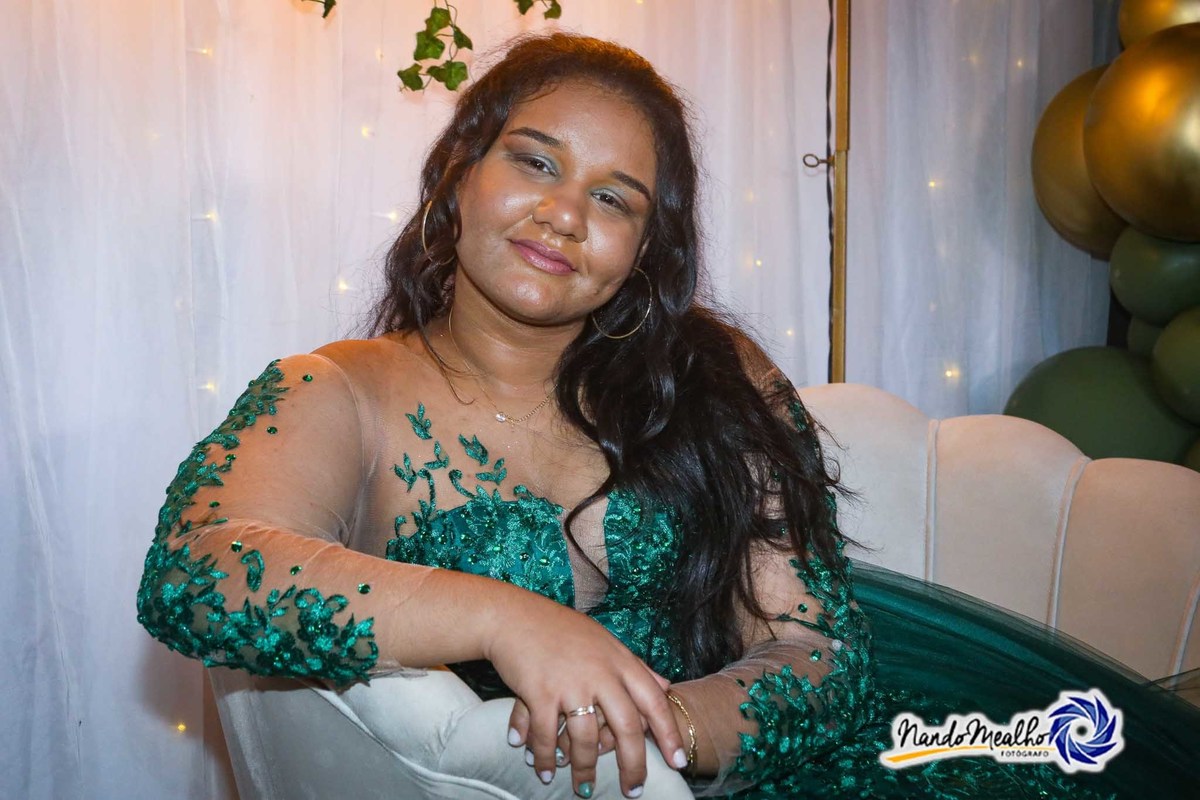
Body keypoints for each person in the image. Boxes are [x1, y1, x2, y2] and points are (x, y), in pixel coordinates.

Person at [137, 32, 1200, 800]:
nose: (564, 213)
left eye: (614, 198)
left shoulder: (714, 374)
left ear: (646, 248)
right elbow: (197, 569)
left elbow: (818, 653)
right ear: (459, 173)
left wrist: (669, 729)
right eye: (535, 161)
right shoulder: (340, 391)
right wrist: (509, 618)